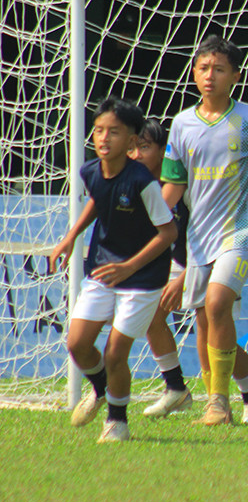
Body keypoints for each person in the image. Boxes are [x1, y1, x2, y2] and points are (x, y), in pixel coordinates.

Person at [161, 35, 248, 426]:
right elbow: (174, 184)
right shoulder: (182, 124)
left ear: (235, 76)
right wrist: (149, 219)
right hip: (199, 237)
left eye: (219, 69)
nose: (210, 76)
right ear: (194, 73)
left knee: (217, 305)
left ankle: (217, 403)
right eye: (203, 68)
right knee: (208, 324)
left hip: (242, 232)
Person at [49, 98, 177, 442]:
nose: (104, 138)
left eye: (114, 132)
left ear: (132, 141)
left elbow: (168, 233)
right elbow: (98, 198)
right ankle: (102, 388)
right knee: (77, 343)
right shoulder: (91, 171)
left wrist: (129, 267)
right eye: (99, 130)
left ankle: (117, 421)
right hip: (104, 268)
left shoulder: (143, 182)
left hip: (143, 276)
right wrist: (71, 237)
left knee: (115, 352)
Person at [128, 118, 193, 416]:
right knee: (151, 317)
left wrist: (187, 276)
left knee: (216, 331)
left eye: (144, 147)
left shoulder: (183, 185)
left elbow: (203, 232)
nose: (136, 155)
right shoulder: (133, 184)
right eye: (131, 148)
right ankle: (176, 388)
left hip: (205, 259)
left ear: (164, 150)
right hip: (176, 262)